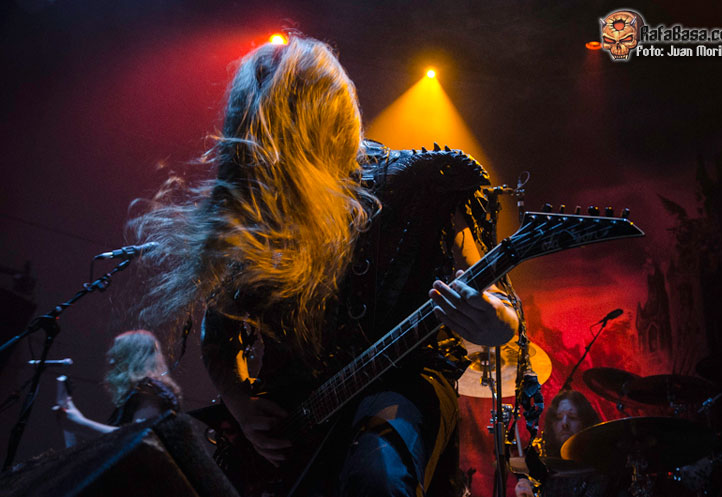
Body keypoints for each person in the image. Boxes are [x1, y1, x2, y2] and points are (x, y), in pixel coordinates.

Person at [129, 36, 519, 496]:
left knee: (378, 478)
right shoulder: (259, 209)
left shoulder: (422, 184)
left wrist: (495, 321)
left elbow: (498, 299)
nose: (273, 148)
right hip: (296, 413)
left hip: (402, 384)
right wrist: (241, 404)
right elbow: (219, 331)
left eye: (283, 128)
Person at [54, 330, 181, 437]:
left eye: (118, 355)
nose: (111, 361)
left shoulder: (150, 390)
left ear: (133, 358)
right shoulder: (143, 392)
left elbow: (140, 437)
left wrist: (81, 424)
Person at [515, 390, 608, 497]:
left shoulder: (600, 471)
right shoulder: (543, 471)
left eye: (572, 417)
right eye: (559, 418)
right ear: (552, 424)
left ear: (585, 422)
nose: (564, 423)